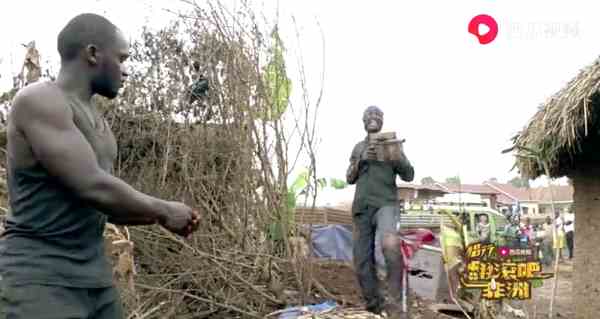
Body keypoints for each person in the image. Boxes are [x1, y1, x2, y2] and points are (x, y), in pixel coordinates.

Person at [0, 13, 200, 319]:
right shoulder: (40, 100)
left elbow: (104, 204)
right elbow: (91, 184)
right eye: (122, 59)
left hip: (95, 280)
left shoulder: (101, 126)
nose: (126, 71)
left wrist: (162, 218)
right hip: (39, 279)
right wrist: (163, 209)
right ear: (93, 54)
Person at [346, 106, 414, 318]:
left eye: (377, 115)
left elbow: (409, 175)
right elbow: (349, 177)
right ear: (363, 120)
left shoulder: (392, 145)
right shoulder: (358, 147)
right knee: (361, 261)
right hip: (362, 209)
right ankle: (374, 306)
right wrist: (361, 160)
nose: (373, 118)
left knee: (390, 245)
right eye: (369, 115)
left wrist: (396, 157)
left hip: (386, 205)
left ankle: (394, 306)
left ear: (382, 121)